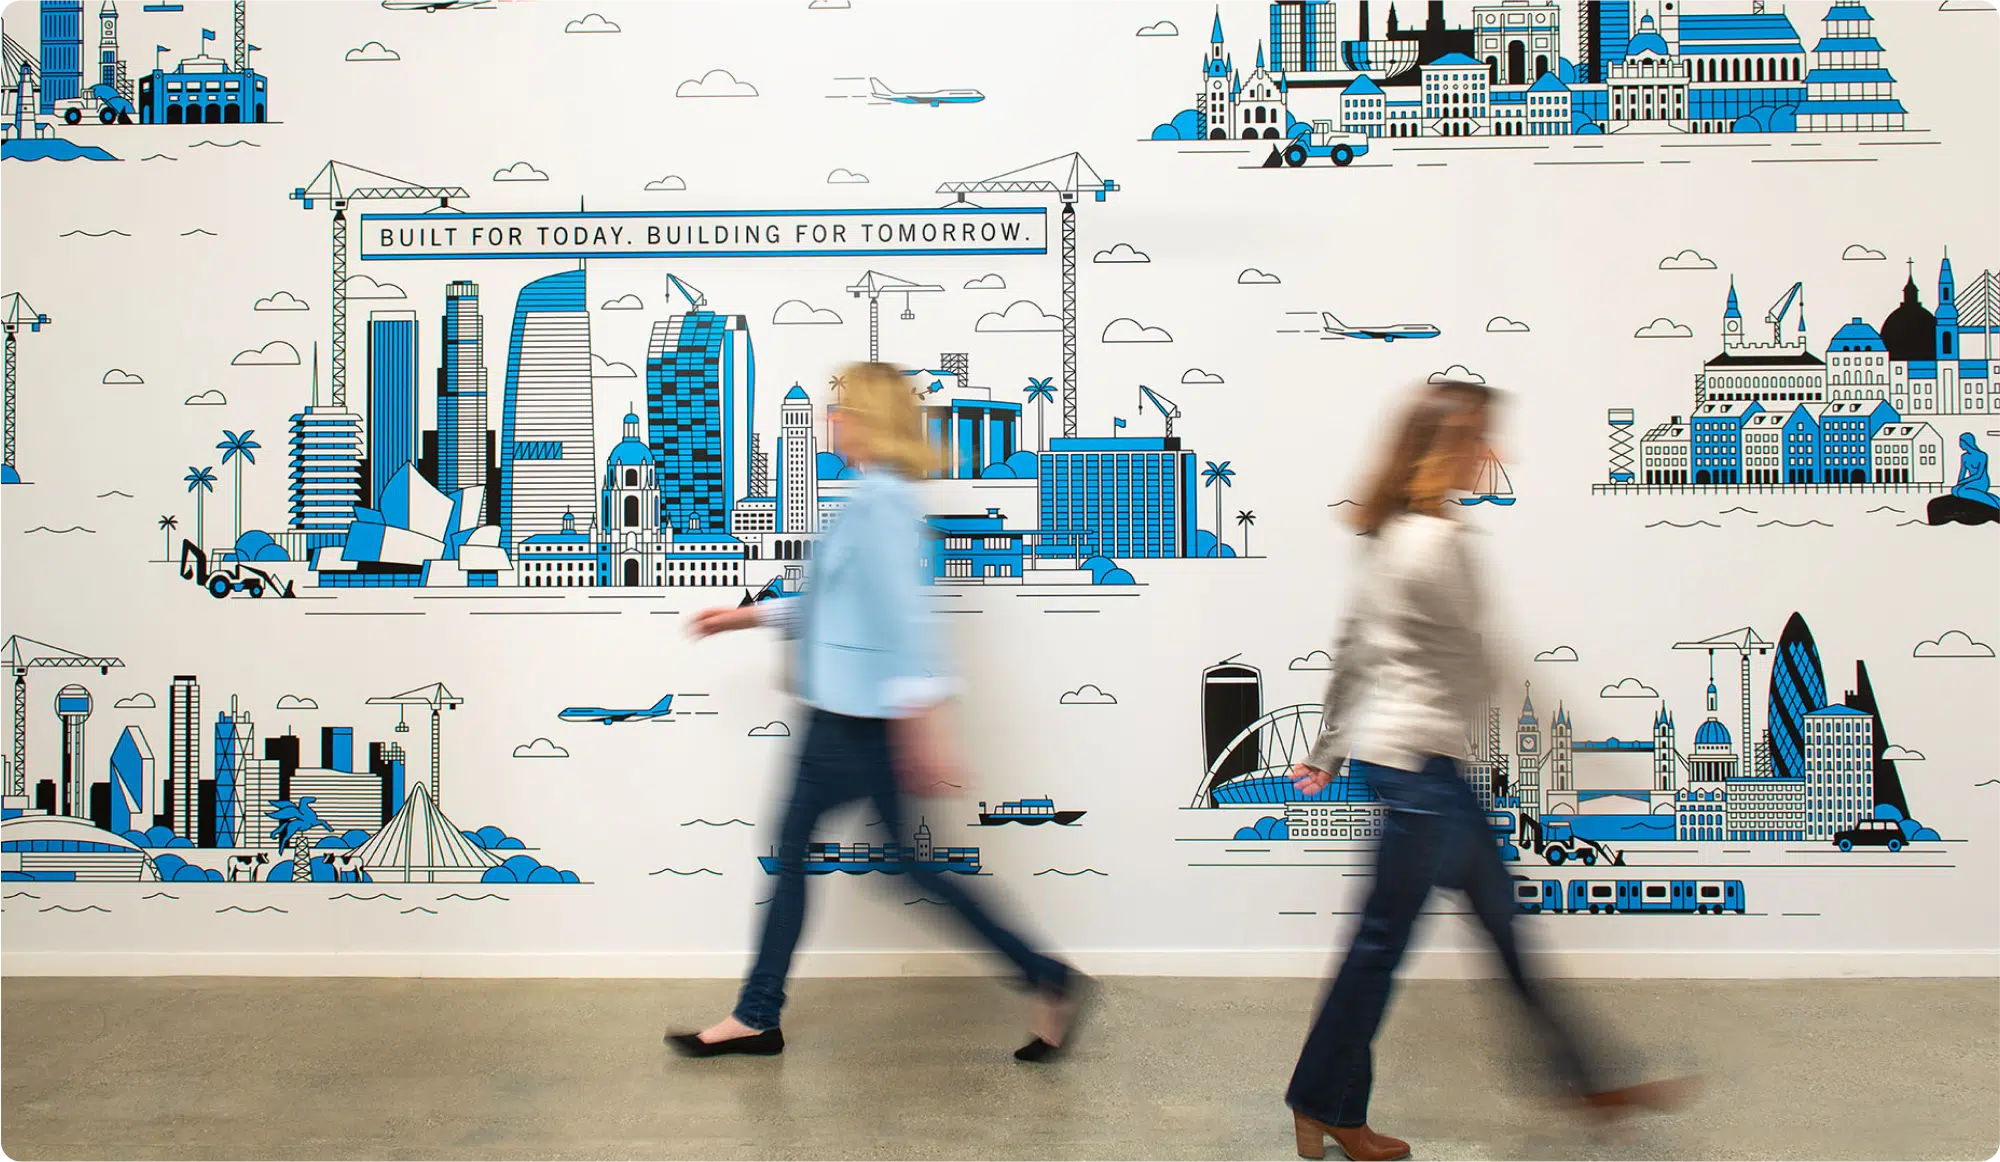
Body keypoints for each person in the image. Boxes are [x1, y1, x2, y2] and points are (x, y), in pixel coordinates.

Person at [1283, 380, 1693, 1162]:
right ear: (1448, 449)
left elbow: (1358, 648)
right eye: (1481, 439)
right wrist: (1585, 748)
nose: (1495, 454)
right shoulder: (1438, 543)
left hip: (1415, 767)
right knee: (1388, 948)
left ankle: (1586, 1082)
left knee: (1490, 930)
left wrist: (1328, 749)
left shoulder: (1392, 532)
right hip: (1423, 774)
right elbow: (1478, 659)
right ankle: (1326, 1103)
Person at [667, 361, 1086, 1063]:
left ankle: (758, 1015)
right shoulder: (869, 499)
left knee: (823, 859)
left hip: (854, 722)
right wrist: (741, 618)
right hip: (843, 714)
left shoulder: (883, 504)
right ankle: (1045, 978)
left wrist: (925, 731)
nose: (832, 421)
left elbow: (907, 621)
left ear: (868, 420)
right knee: (896, 866)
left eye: (843, 410)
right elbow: (829, 605)